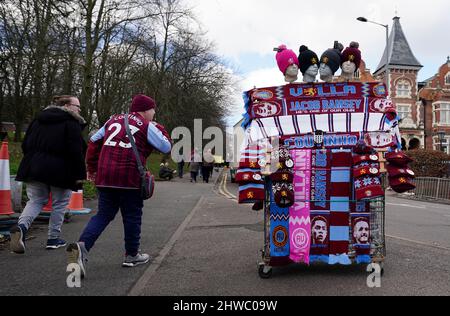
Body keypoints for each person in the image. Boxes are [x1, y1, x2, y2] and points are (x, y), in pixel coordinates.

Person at [66, 94, 171, 276]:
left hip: (106, 175)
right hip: (129, 176)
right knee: (132, 215)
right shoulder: (146, 125)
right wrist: (158, 127)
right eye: (153, 109)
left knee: (104, 214)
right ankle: (131, 255)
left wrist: (92, 168)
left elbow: (94, 141)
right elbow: (166, 146)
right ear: (145, 110)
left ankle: (82, 245)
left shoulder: (112, 120)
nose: (154, 113)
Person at [10, 96, 87, 254]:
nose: (79, 109)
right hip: (60, 169)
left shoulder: (38, 120)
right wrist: (80, 174)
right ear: (67, 105)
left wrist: (35, 159)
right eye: (77, 106)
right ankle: (53, 238)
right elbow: (76, 151)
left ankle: (22, 228)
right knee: (59, 203)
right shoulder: (71, 123)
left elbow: (26, 144)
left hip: (34, 166)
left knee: (35, 200)